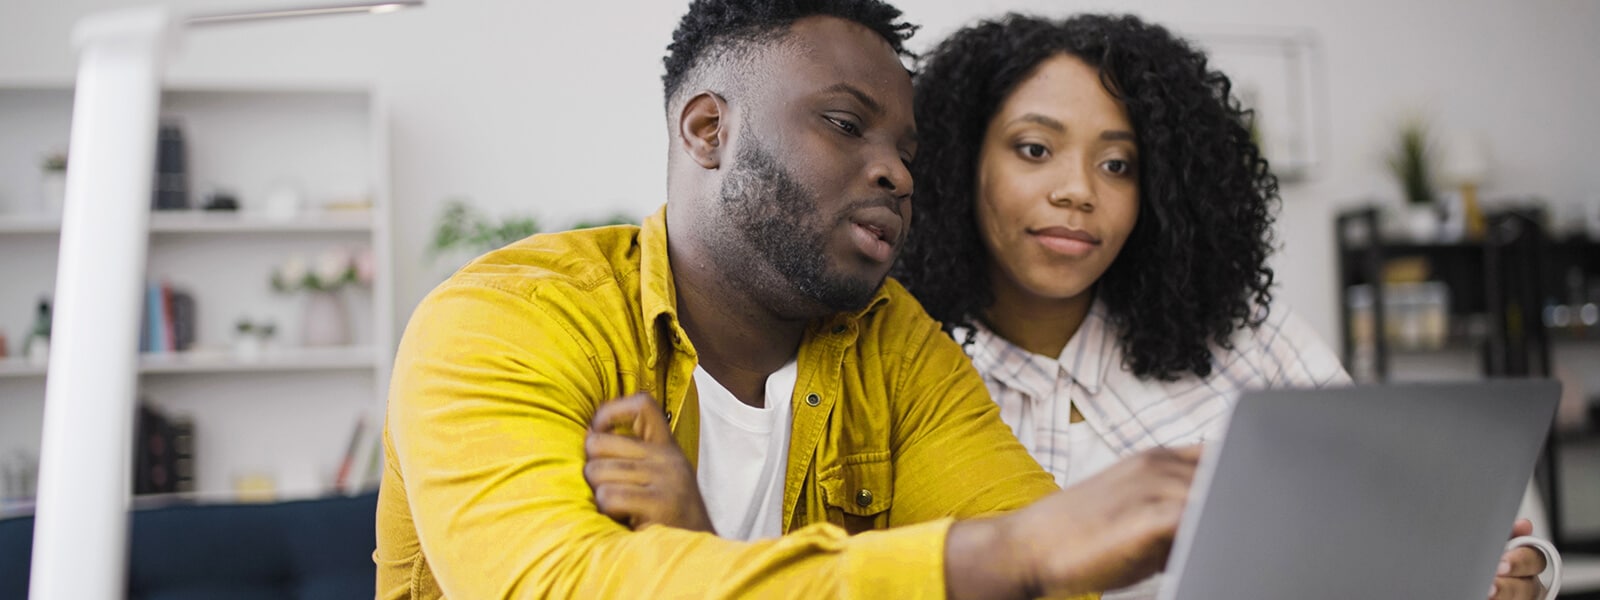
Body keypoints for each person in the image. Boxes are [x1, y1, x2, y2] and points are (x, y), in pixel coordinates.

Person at [376, 2, 1202, 599]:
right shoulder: (508, 319)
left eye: (907, 153)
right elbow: (558, 585)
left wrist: (699, 547)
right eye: (846, 123)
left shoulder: (896, 346)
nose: (898, 174)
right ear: (708, 130)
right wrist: (997, 557)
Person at [893, 13, 1554, 600]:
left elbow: (1392, 514)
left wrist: (1510, 572)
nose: (1078, 191)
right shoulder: (902, 370)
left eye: (1118, 164)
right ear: (960, 163)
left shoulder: (1246, 342)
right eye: (1035, 149)